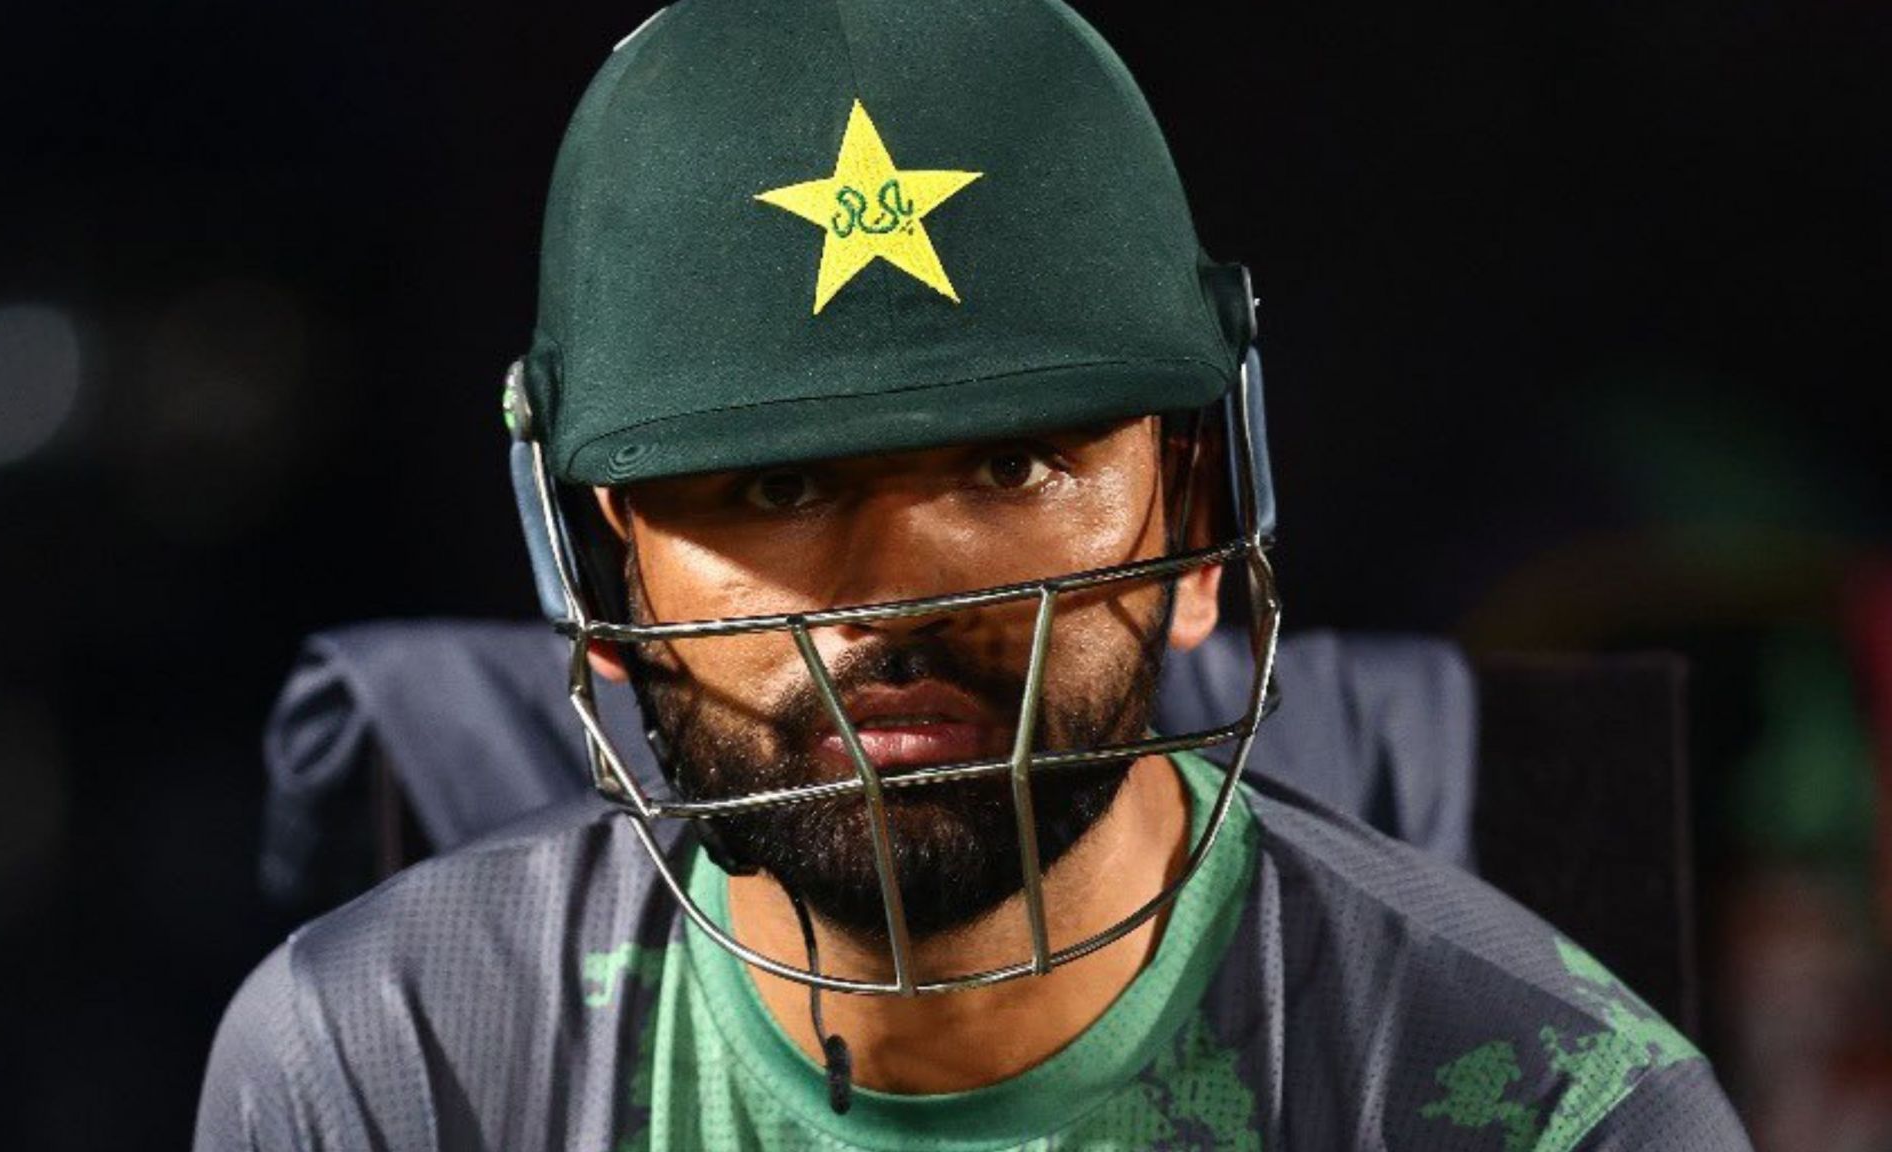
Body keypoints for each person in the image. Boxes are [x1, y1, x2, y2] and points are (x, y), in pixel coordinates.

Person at [194, 0, 1754, 1147]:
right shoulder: (385, 1071)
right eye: (778, 483)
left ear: (1191, 518)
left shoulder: (1558, 1113)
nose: (899, 591)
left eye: (1014, 467)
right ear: (610, 573)